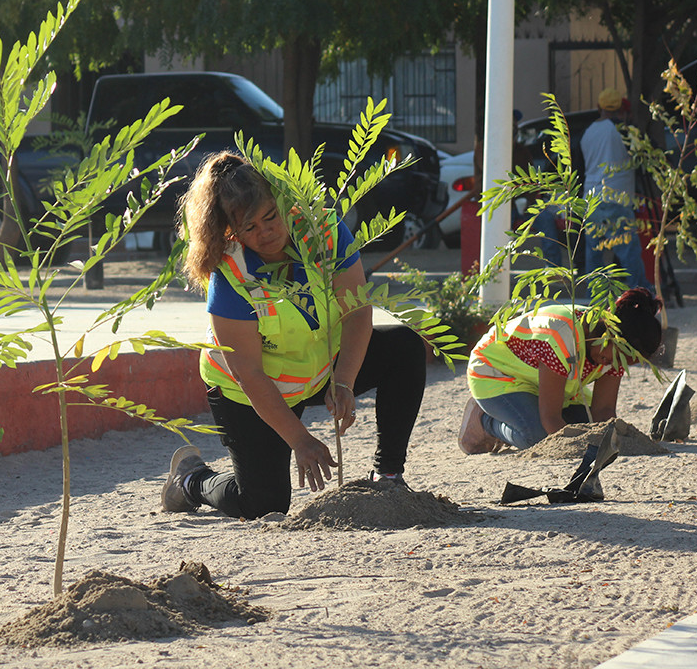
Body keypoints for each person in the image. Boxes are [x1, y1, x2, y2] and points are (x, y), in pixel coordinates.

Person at [161, 152, 427, 519]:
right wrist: (300, 440)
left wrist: (345, 381)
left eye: (271, 217)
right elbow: (249, 374)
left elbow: (357, 312)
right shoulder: (231, 274)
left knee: (404, 347)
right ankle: (190, 480)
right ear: (229, 232)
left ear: (285, 203)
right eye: (250, 228)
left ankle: (388, 475)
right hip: (249, 390)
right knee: (263, 505)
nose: (266, 232)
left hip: (318, 370)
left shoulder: (325, 232)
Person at [458, 288, 662, 454]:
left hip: (549, 387)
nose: (616, 366)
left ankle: (518, 415)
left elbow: (603, 412)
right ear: (610, 333)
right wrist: (574, 450)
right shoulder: (561, 336)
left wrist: (613, 442)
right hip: (496, 375)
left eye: (626, 364)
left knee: (588, 427)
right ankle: (486, 421)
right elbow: (551, 418)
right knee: (539, 437)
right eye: (619, 358)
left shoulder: (615, 353)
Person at [582, 88, 652, 291]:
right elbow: (642, 156)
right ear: (622, 109)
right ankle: (640, 292)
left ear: (599, 107)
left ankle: (592, 296)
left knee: (593, 252)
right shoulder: (622, 131)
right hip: (616, 197)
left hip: (591, 199)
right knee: (628, 250)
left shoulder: (588, 132)